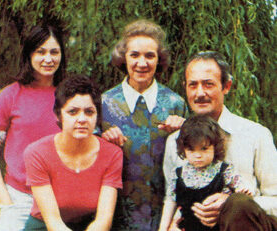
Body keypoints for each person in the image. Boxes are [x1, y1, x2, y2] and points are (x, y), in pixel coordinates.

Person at [163, 51, 277, 231]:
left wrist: (231, 206)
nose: (200, 93)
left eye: (208, 84)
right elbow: (173, 197)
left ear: (226, 86)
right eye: (193, 85)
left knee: (239, 204)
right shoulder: (175, 141)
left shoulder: (256, 135)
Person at [101, 19, 187, 231]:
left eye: (150, 56)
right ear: (124, 58)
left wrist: (184, 132)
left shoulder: (176, 103)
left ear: (159, 60)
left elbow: (192, 160)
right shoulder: (104, 103)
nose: (142, 63)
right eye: (135, 55)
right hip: (116, 215)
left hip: (163, 215)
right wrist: (102, 140)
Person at [0, 24, 66, 231]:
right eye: (41, 52)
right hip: (20, 201)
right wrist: (6, 201)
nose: (48, 59)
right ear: (29, 54)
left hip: (62, 200)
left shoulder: (70, 94)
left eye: (54, 52)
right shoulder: (11, 95)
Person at [23, 74, 123, 231]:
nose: (82, 119)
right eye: (73, 112)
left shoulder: (112, 154)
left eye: (89, 112)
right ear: (58, 114)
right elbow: (53, 221)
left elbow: (104, 219)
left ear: (97, 117)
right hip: (45, 226)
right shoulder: (37, 153)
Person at [159, 114, 252, 231]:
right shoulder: (178, 174)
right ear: (183, 149)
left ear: (215, 146)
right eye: (191, 149)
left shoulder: (224, 170)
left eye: (204, 148)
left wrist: (243, 190)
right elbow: (170, 201)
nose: (198, 155)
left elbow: (242, 189)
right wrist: (163, 228)